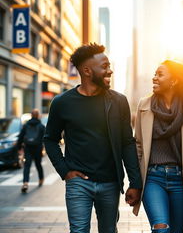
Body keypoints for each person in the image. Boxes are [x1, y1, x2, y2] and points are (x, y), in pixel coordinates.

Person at [44, 43, 142, 233]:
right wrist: (65, 171)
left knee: (108, 230)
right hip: (78, 183)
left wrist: (135, 182)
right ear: (87, 71)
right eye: (105, 67)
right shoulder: (62, 103)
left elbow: (127, 144)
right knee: (79, 230)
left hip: (110, 182)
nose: (110, 71)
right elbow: (50, 139)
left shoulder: (118, 101)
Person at [133, 60, 183, 233]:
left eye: (160, 74)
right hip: (152, 179)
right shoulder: (144, 105)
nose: (154, 78)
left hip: (182, 180)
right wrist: (135, 183)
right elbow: (138, 146)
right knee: (161, 229)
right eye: (154, 74)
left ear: (174, 80)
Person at [17, 109, 45, 193]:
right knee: (38, 164)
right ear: (38, 115)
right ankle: (41, 179)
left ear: (31, 115)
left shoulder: (26, 125)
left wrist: (19, 148)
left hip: (28, 147)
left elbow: (20, 137)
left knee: (27, 165)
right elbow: (45, 138)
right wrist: (44, 147)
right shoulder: (41, 126)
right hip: (37, 148)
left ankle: (25, 183)